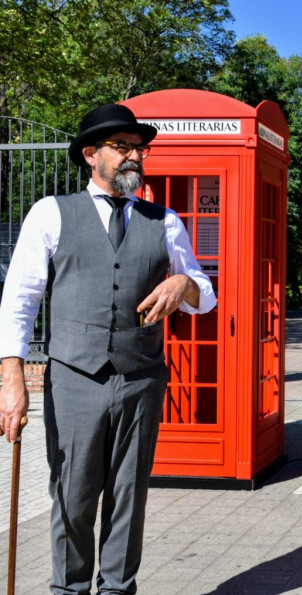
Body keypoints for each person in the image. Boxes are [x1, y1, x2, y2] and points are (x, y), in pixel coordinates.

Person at [0, 104, 216, 594]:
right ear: (90, 154)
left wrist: (182, 283)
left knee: (128, 497)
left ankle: (118, 589)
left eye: (139, 148)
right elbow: (19, 300)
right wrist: (12, 379)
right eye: (122, 147)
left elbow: (206, 295)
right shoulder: (51, 213)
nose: (134, 156)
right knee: (73, 496)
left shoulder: (165, 221)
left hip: (141, 378)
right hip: (74, 378)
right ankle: (70, 589)